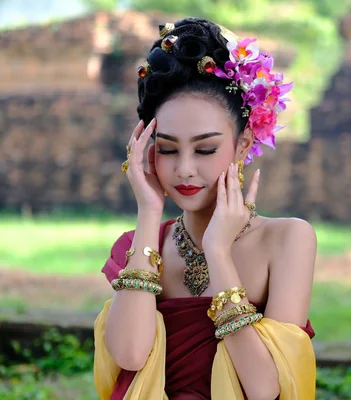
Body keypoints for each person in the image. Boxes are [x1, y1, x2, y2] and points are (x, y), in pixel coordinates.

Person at [93, 17, 317, 400]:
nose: (184, 169)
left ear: (243, 145)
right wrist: (148, 212)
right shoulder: (139, 247)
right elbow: (130, 356)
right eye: (166, 149)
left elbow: (266, 388)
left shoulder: (287, 239)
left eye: (205, 149)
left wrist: (218, 252)